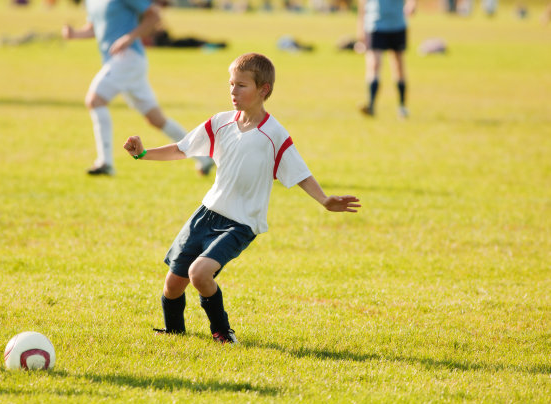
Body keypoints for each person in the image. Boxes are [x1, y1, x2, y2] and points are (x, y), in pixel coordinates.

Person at [123, 53, 361, 344]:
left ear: (264, 90)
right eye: (231, 84)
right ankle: (174, 332)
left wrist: (324, 199)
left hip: (241, 223)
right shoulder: (220, 123)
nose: (233, 92)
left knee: (200, 273)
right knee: (173, 284)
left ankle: (223, 332)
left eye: (241, 86)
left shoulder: (274, 134)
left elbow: (299, 172)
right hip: (206, 213)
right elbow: (181, 149)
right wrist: (143, 153)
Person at [62, 0, 214, 176]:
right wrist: (75, 34)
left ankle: (105, 163)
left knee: (95, 100)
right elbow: (95, 27)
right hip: (117, 62)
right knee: (156, 119)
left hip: (129, 58)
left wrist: (130, 37)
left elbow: (154, 16)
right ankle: (203, 157)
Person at [357, 0, 416, 118]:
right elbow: (362, 6)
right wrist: (360, 33)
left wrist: (412, 5)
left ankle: (402, 106)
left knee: (398, 65)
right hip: (375, 26)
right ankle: (371, 105)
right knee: (374, 64)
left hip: (397, 25)